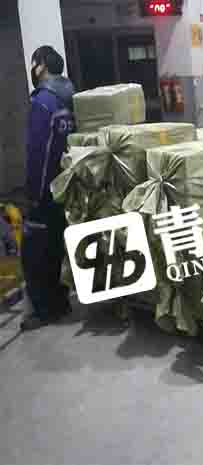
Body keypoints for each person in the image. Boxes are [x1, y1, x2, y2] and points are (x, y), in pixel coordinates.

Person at [21, 46, 75, 331]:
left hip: (46, 191)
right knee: (56, 247)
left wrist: (34, 193)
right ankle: (60, 302)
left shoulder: (43, 102)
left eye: (34, 63)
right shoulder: (69, 99)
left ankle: (44, 311)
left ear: (41, 65)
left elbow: (38, 153)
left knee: (35, 253)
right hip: (66, 187)